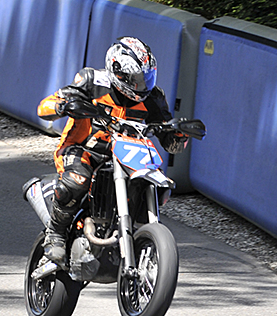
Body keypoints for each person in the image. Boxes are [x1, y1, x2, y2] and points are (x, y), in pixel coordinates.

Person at [37, 37, 188, 265]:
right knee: (76, 181)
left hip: (130, 156)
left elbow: (169, 137)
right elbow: (46, 106)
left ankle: (140, 237)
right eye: (135, 79)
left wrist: (177, 134)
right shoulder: (92, 81)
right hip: (85, 149)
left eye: (145, 78)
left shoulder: (154, 98)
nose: (141, 85)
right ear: (117, 71)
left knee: (156, 185)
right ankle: (55, 234)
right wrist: (62, 105)